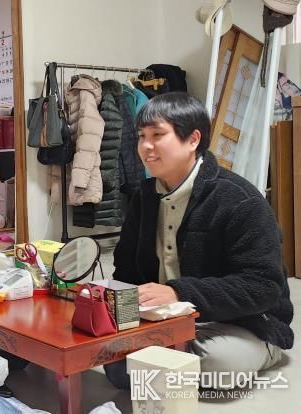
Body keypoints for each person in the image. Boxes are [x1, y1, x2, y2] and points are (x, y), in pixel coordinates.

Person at [104, 92, 294, 390]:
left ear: (193, 139)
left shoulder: (239, 200)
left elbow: (263, 286)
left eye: (157, 135)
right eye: (141, 136)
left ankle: (264, 350)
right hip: (168, 318)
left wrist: (178, 292)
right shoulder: (143, 197)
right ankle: (164, 356)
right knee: (113, 357)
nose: (145, 146)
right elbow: (126, 270)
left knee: (220, 362)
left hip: (241, 321)